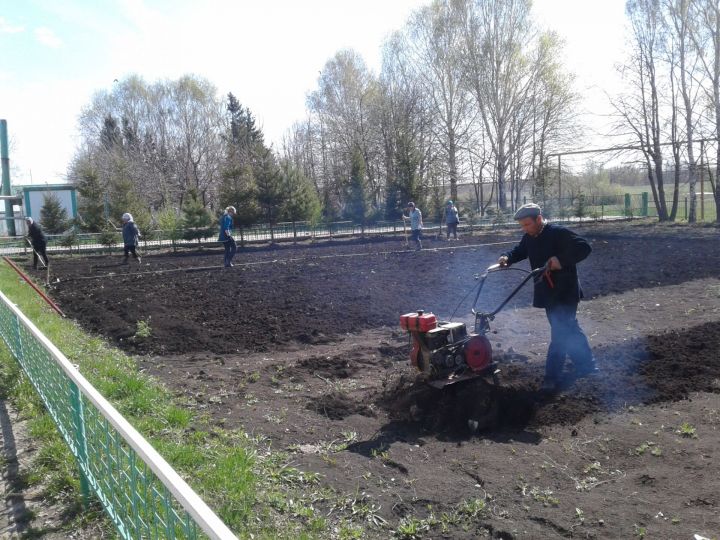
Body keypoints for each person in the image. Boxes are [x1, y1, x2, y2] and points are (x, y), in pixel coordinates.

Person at [498, 203, 598, 392]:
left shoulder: (557, 233)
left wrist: (560, 260)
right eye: (522, 226)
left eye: (527, 224)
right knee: (569, 328)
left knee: (560, 332)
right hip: (548, 293)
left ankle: (552, 377)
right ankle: (587, 365)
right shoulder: (529, 237)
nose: (524, 229)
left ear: (539, 218)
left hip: (566, 292)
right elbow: (520, 250)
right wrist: (506, 257)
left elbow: (584, 247)